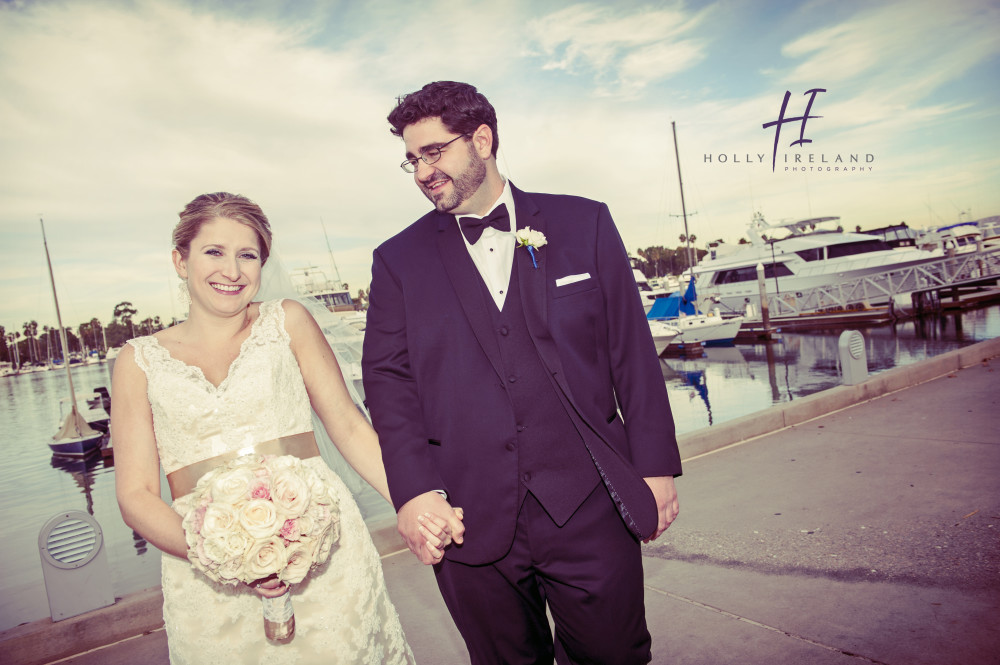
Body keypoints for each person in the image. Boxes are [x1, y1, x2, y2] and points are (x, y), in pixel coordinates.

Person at [362, 81, 683, 664]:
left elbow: (632, 354)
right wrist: (412, 493)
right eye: (412, 159)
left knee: (616, 655)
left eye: (434, 152)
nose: (422, 172)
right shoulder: (397, 261)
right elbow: (389, 387)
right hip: (466, 518)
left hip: (591, 503)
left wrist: (656, 468)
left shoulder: (584, 223)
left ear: (482, 139)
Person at [112, 192, 452, 664]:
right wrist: (218, 555)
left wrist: (417, 500)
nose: (231, 271)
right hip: (204, 575)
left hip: (322, 550)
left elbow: (350, 428)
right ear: (179, 260)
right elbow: (136, 493)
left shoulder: (288, 322)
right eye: (214, 251)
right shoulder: (137, 362)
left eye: (247, 255)